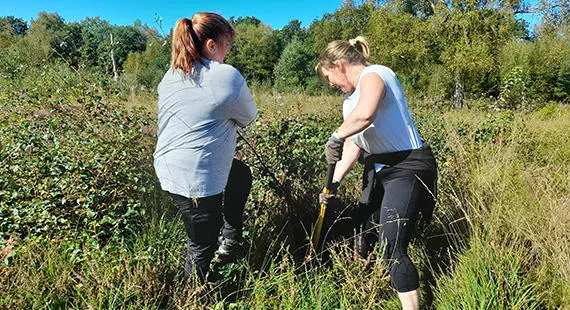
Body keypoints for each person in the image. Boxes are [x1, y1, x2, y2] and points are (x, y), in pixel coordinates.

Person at [316, 36, 437, 310]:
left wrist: (335, 135)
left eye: (329, 77)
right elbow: (354, 144)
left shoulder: (376, 74)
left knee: (392, 246)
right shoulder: (349, 102)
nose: (331, 85)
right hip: (379, 169)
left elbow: (366, 114)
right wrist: (333, 182)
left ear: (339, 65)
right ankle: (369, 290)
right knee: (363, 227)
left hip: (407, 166)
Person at [153, 12, 258, 283]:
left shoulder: (171, 75)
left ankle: (231, 239)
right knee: (201, 245)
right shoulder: (225, 76)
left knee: (240, 175)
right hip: (195, 178)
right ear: (211, 45)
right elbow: (248, 118)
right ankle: (191, 293)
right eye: (226, 45)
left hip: (168, 167)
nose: (228, 52)